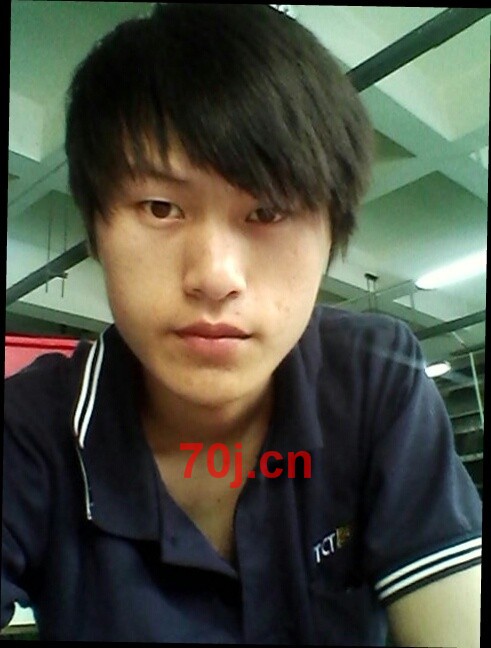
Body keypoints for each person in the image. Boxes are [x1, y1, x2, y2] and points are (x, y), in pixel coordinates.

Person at [2, 3, 482, 645]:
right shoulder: (28, 434)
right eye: (161, 207)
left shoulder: (372, 380)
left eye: (268, 212)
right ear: (95, 229)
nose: (215, 276)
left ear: (332, 234)